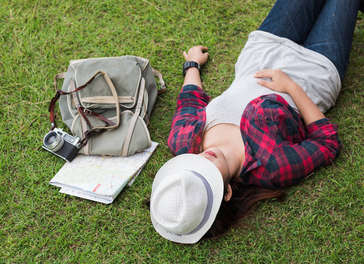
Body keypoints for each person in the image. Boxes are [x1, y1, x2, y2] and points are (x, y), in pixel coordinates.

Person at [150, 0, 363, 244]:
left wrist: (192, 65)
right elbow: (327, 143)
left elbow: (189, 101)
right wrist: (291, 87)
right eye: (207, 173)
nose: (203, 159)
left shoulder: (184, 141)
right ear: (227, 191)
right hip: (315, 70)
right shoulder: (272, 167)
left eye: (191, 165)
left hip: (262, 51)